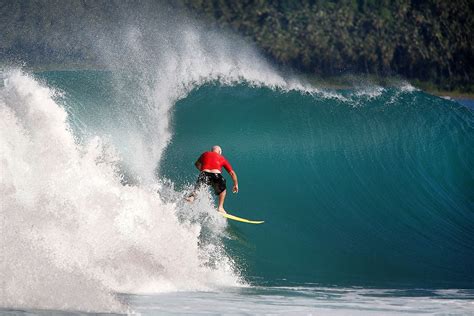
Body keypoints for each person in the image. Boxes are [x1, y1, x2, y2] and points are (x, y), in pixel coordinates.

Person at [186, 145, 238, 213]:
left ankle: (191, 198)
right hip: (216, 175)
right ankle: (220, 207)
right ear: (219, 152)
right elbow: (232, 173)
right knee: (223, 190)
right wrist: (235, 184)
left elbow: (196, 164)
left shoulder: (205, 154)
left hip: (204, 174)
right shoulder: (222, 158)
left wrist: (203, 170)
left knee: (197, 188)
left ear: (211, 150)